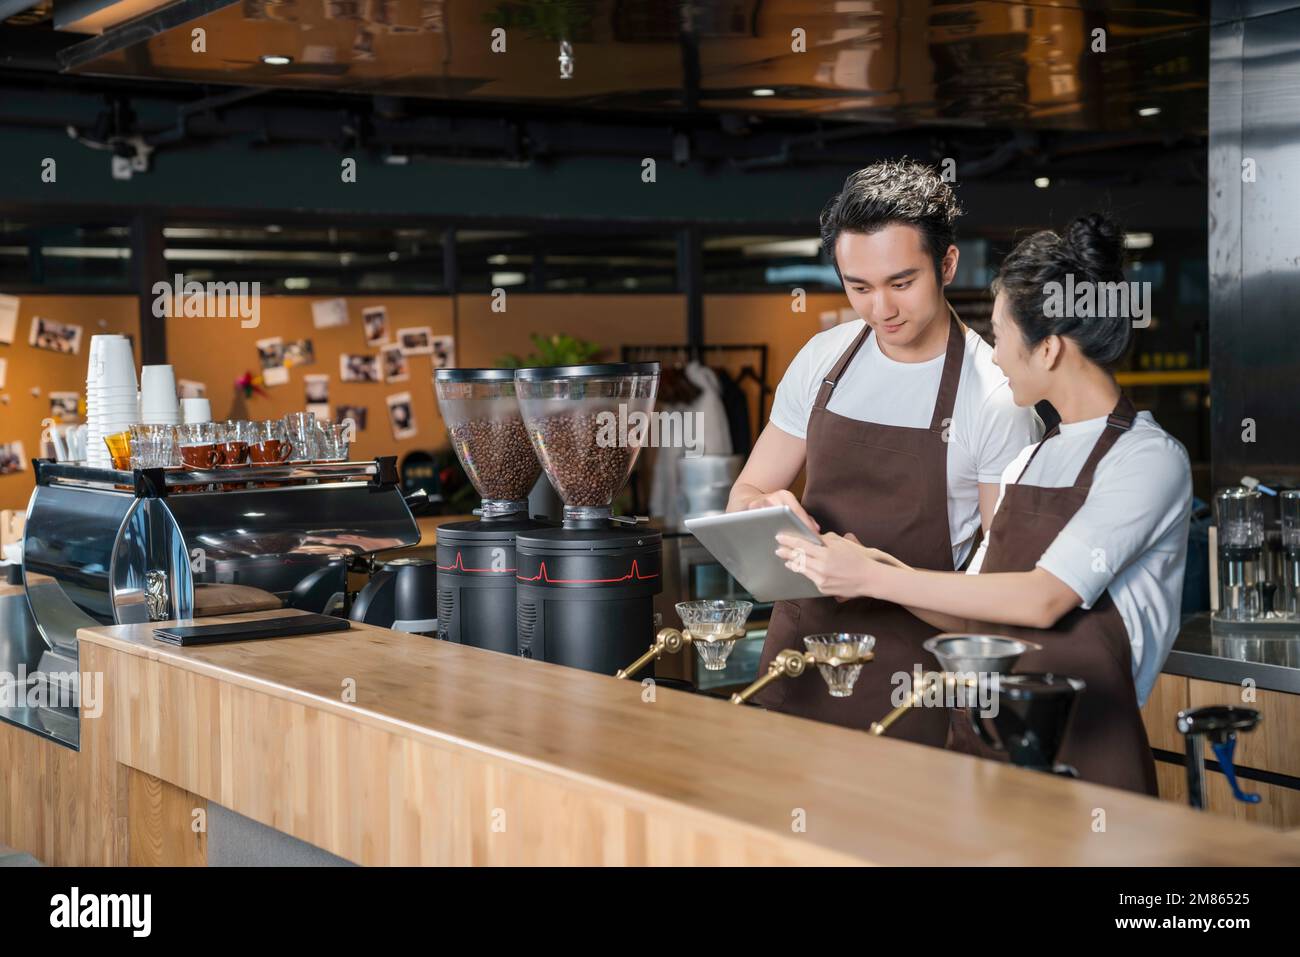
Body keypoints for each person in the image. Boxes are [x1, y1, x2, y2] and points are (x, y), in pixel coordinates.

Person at [776, 213, 1192, 794]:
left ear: (1046, 349)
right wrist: (874, 566)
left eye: (1000, 336)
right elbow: (976, 615)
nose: (993, 356)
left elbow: (1045, 598)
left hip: (1089, 752)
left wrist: (876, 580)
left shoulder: (1147, 459)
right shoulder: (1031, 460)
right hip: (990, 746)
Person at [727, 159, 1040, 743]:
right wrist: (764, 513)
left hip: (913, 684)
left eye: (901, 283)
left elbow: (1002, 603)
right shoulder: (824, 360)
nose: (881, 311)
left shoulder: (996, 397)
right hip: (798, 666)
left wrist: (875, 575)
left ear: (946, 264)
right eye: (859, 288)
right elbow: (742, 496)